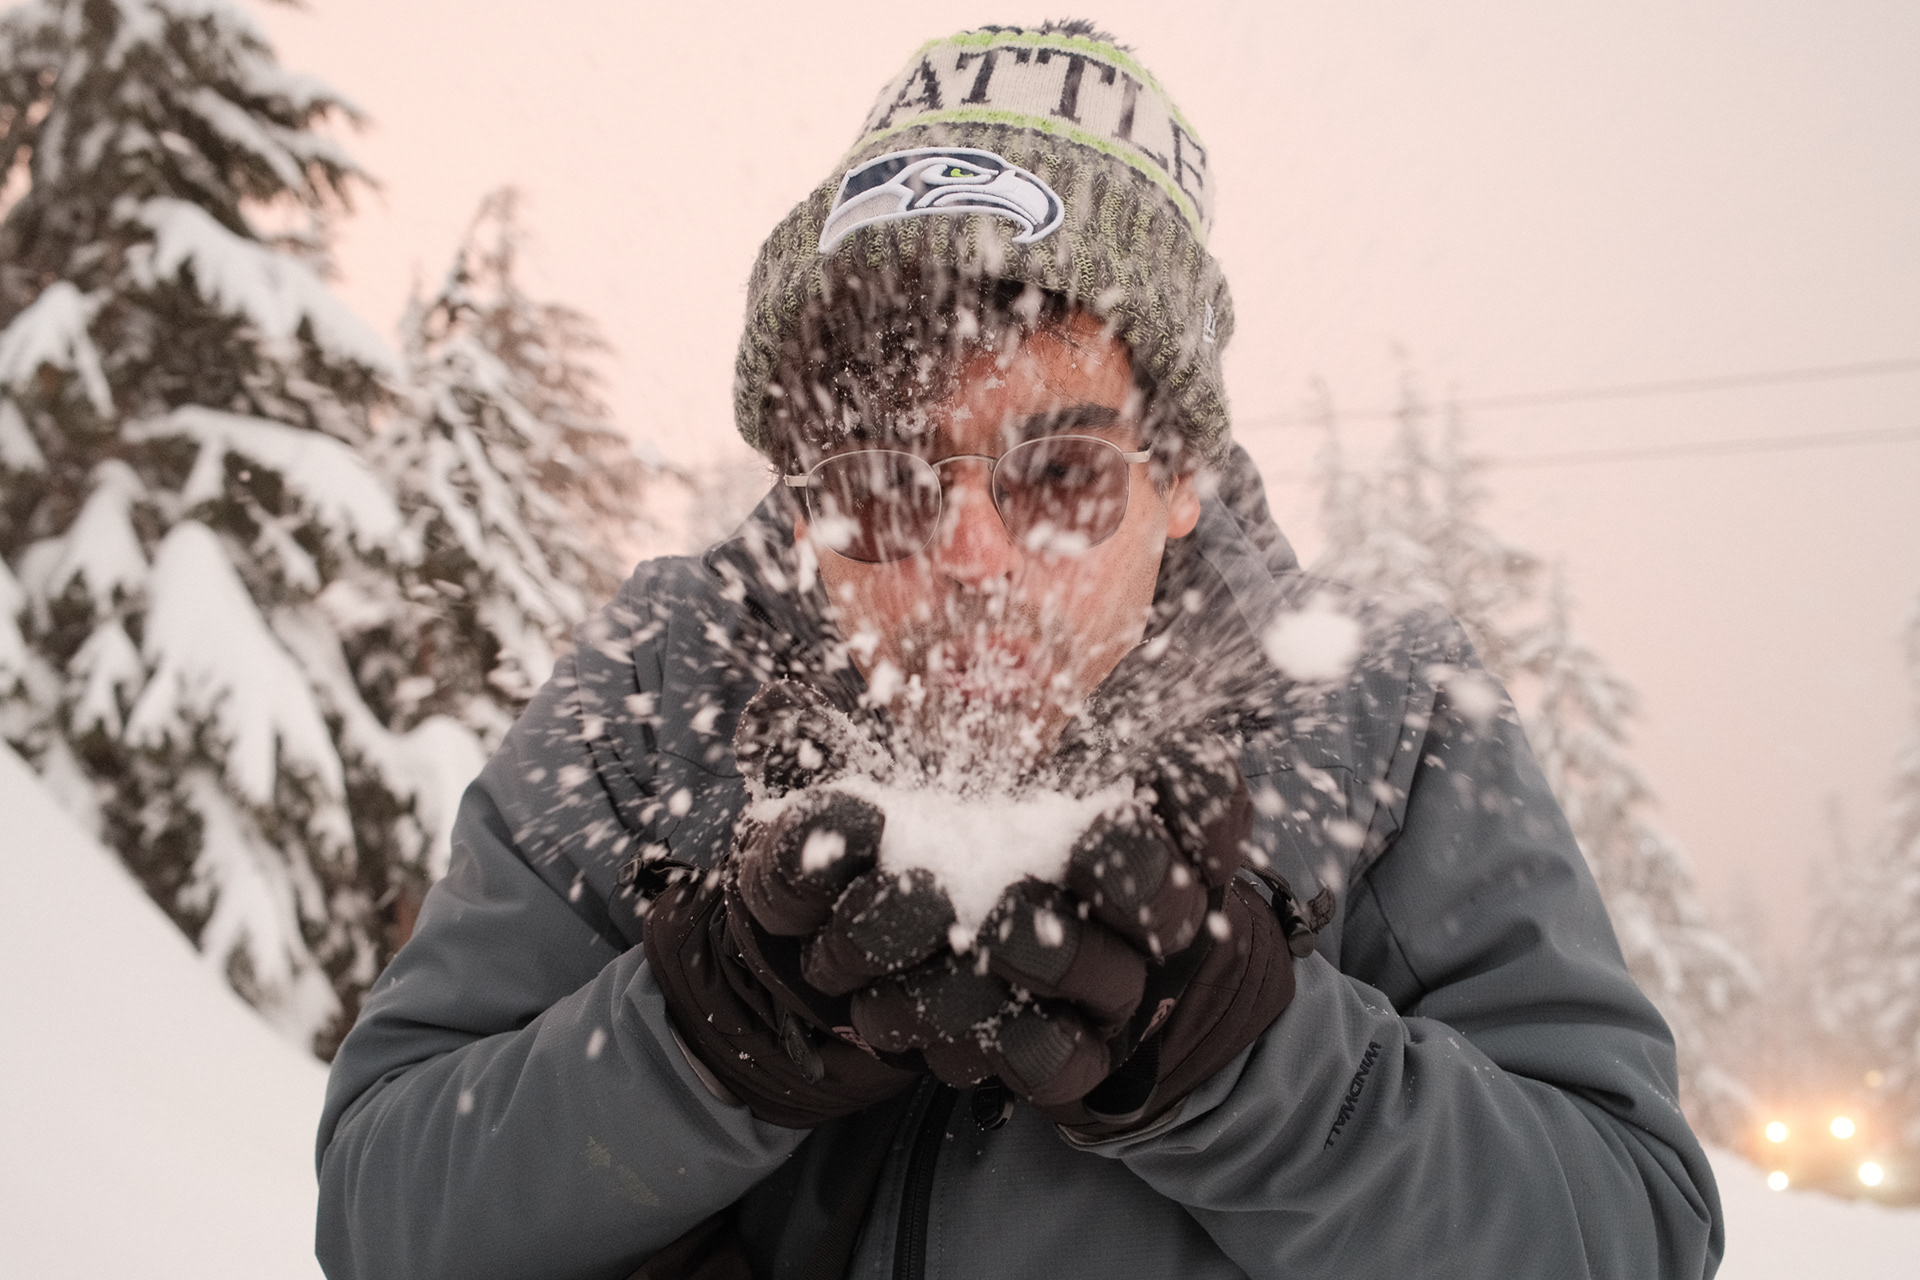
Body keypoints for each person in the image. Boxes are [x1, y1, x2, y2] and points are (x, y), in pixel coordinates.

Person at [316, 21, 1724, 1280]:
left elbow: (1633, 1228)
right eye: (880, 485)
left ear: (1180, 477)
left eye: (1060, 474)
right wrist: (701, 1043)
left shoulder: (1382, 716)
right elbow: (384, 1210)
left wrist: (1244, 1063)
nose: (970, 558)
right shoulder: (663, 688)